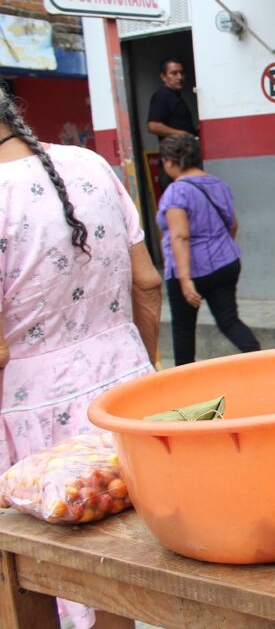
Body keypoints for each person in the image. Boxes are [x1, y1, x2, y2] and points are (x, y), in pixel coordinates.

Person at [0, 87, 160, 629]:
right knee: (131, 567)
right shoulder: (89, 163)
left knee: (61, 582)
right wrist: (145, 377)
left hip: (37, 411)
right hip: (128, 386)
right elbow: (147, 281)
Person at [156, 134, 260, 365]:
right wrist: (220, 249)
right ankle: (260, 358)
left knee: (183, 329)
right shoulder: (218, 184)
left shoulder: (176, 192)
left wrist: (185, 280)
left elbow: (180, 235)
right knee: (229, 321)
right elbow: (232, 225)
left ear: (171, 161)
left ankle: (185, 383)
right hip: (226, 263)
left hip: (191, 270)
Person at [147, 57, 197, 141]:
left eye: (182, 73)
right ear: (163, 77)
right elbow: (153, 126)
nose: (180, 77)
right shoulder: (162, 95)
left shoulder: (174, 95)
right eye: (174, 73)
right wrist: (183, 134)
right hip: (174, 152)